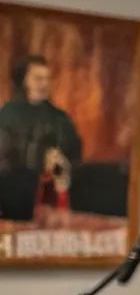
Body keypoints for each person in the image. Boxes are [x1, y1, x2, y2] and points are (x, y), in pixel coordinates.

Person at [0, 54, 82, 221]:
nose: (44, 84)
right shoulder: (7, 115)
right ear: (24, 80)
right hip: (12, 198)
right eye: (38, 78)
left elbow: (75, 153)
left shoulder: (60, 118)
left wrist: (61, 161)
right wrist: (39, 158)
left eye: (47, 79)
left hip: (51, 199)